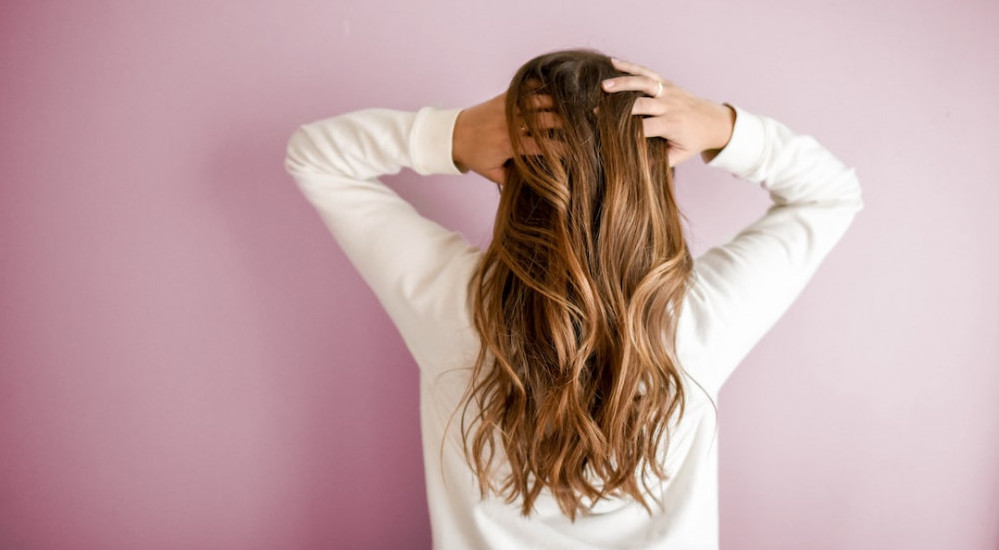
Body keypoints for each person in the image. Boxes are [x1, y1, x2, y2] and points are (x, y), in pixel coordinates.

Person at [283, 48, 863, 550]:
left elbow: (315, 155)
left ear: (509, 169)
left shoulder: (455, 305)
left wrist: (454, 134)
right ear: (651, 176)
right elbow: (831, 195)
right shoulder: (695, 320)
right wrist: (721, 127)